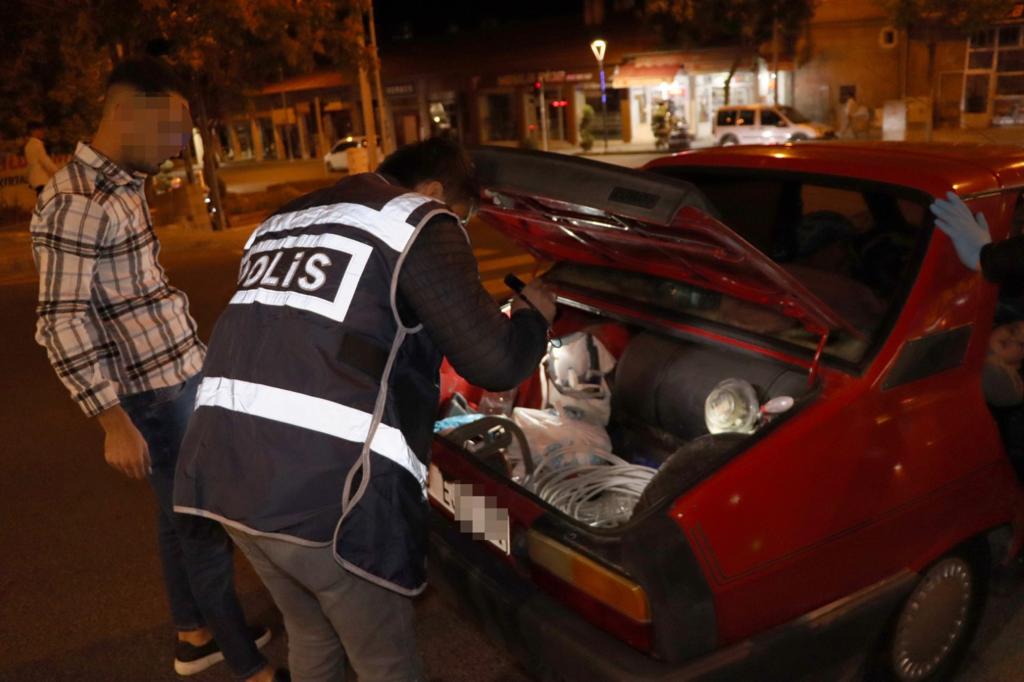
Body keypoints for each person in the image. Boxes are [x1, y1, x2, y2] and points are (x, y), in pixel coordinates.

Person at [173, 137, 555, 681]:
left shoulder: (286, 221)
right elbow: (496, 362)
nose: (460, 227)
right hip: (321, 497)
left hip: (224, 475)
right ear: (432, 191)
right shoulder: (416, 220)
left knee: (311, 633)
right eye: (463, 216)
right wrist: (532, 317)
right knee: (384, 663)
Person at [30, 57, 283, 681]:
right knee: (202, 527)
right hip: (153, 396)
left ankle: (195, 635)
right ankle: (246, 665)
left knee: (177, 521)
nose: (177, 146)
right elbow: (60, 320)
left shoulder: (119, 184)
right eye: (170, 129)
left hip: (176, 376)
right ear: (126, 113)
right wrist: (111, 419)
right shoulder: (78, 201)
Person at [24, 122, 59, 195]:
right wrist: (58, 171)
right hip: (42, 180)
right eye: (41, 130)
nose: (43, 133)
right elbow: (45, 161)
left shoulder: (28, 146)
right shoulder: (37, 144)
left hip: (35, 181)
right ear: (34, 131)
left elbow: (29, 166)